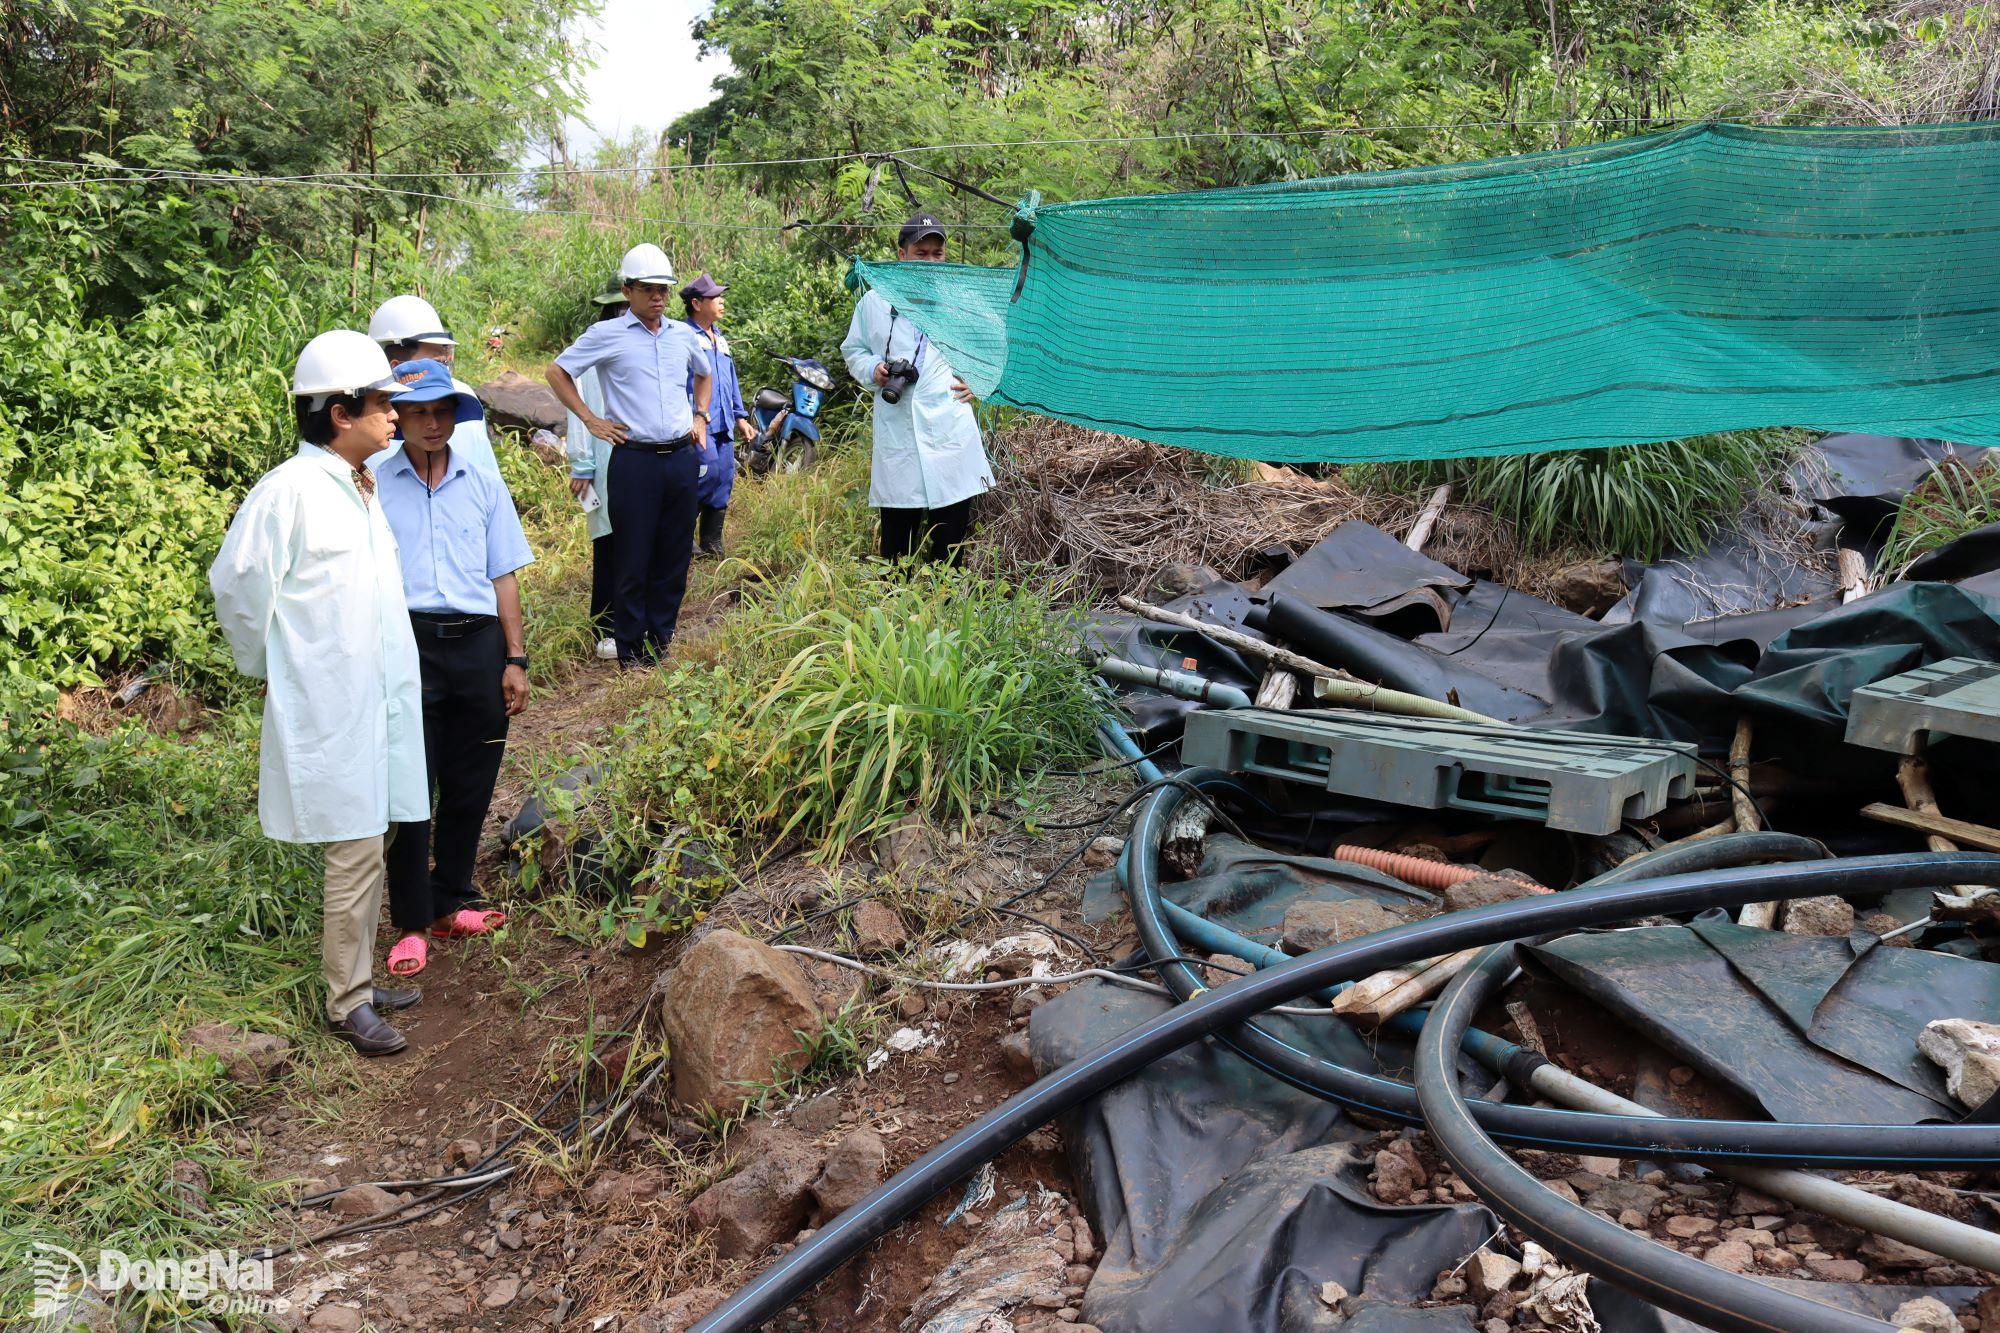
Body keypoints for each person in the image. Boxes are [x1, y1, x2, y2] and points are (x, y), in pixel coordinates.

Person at [208, 330, 426, 1057]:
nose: (393, 414)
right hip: (330, 698)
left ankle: (357, 975)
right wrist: (271, 662)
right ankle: (348, 1001)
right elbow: (236, 585)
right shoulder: (290, 491)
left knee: (378, 828)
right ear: (339, 411)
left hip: (375, 695)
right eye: (381, 403)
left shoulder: (358, 487)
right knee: (357, 843)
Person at [373, 359, 534, 979]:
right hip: (407, 644)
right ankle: (412, 921)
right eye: (418, 412)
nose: (433, 423)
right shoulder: (376, 486)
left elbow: (504, 575)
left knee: (473, 777)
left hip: (478, 645)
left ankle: (453, 898)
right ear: (398, 419)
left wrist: (514, 657)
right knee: (412, 786)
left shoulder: (484, 484)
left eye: (442, 412)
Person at [545, 244, 714, 666]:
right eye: (647, 289)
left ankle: (660, 641)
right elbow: (557, 372)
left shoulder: (681, 335)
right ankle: (630, 650)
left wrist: (700, 416)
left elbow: (705, 374)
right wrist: (590, 420)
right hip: (634, 460)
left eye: (663, 289)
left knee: (674, 555)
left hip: (679, 457)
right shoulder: (608, 335)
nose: (657, 296)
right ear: (628, 290)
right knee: (632, 556)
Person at [840, 212, 994, 564]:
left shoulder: (962, 300)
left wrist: (981, 380)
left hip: (950, 432)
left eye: (936, 254)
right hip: (900, 434)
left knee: (950, 549)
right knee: (896, 550)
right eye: (920, 253)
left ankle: (948, 611)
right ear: (902, 254)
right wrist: (873, 369)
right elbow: (854, 350)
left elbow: (993, 345)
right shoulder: (875, 303)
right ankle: (896, 614)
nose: (929, 261)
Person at [564, 280, 631, 660]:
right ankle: (605, 628)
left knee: (633, 545)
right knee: (607, 547)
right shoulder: (591, 350)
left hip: (634, 463)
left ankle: (629, 623)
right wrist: (582, 465)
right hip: (599, 469)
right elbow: (579, 412)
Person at [367, 294, 500, 477]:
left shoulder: (460, 394)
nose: (442, 372)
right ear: (397, 368)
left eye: (443, 363)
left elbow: (489, 480)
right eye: (435, 364)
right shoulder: (367, 417)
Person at [679, 273, 757, 557]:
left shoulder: (720, 338)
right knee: (705, 474)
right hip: (700, 424)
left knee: (724, 476)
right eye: (715, 298)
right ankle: (682, 539)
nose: (722, 301)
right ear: (697, 304)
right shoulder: (684, 336)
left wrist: (740, 417)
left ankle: (712, 541)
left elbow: (731, 379)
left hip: (723, 422)